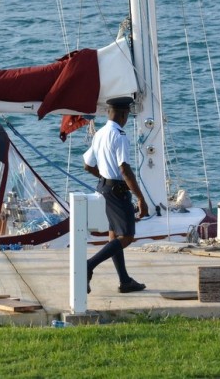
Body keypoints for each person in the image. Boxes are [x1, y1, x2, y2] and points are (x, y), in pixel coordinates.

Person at [82, 97, 149, 294]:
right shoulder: (119, 136)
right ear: (122, 114)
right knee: (127, 236)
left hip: (104, 187)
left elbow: (87, 165)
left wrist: (104, 177)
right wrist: (141, 198)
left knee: (114, 236)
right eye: (127, 114)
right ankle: (89, 265)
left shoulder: (100, 133)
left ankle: (125, 281)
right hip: (117, 191)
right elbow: (125, 170)